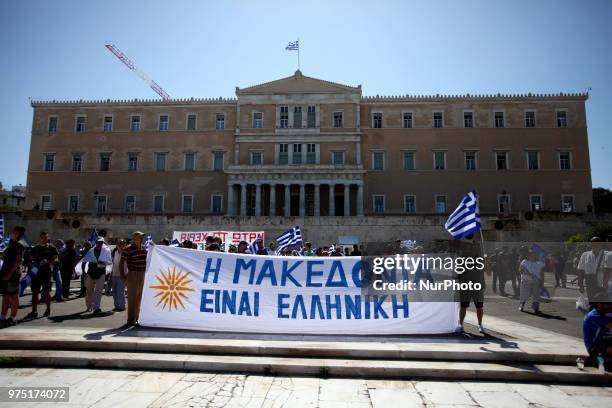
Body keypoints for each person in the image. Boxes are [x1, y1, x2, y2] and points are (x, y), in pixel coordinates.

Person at [456, 234, 488, 333]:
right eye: (469, 247)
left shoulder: (480, 259)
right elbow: (457, 271)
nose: (471, 249)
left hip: (477, 285)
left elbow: (488, 272)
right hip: (465, 284)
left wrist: (487, 261)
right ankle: (460, 324)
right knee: (463, 306)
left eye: (475, 247)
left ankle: (480, 324)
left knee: (479, 306)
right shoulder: (462, 259)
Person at [26, 232, 59, 318]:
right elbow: (30, 259)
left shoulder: (52, 248)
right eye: (42, 237)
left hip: (46, 273)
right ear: (40, 238)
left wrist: (48, 261)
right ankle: (34, 311)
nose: (44, 239)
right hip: (36, 273)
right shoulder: (35, 248)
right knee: (35, 293)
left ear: (48, 238)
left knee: (47, 292)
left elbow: (56, 260)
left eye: (45, 237)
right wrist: (32, 264)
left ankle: (48, 309)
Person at [120, 231, 148, 326]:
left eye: (142, 237)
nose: (142, 239)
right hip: (133, 273)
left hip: (142, 273)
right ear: (135, 238)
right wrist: (122, 275)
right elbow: (121, 262)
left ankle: (137, 318)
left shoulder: (145, 248)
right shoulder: (128, 249)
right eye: (140, 237)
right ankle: (130, 320)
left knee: (139, 298)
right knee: (132, 298)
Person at [0, 226, 26, 328]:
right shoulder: (11, 243)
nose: (12, 233)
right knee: (5, 296)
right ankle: (2, 317)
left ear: (18, 234)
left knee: (13, 296)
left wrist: (9, 273)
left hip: (12, 274)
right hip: (4, 273)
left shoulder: (19, 245)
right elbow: (6, 255)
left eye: (14, 232)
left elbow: (19, 261)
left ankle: (12, 318)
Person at [81, 237, 112, 314]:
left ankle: (96, 307)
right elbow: (84, 261)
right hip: (90, 272)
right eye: (98, 242)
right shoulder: (91, 251)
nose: (99, 244)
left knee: (98, 291)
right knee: (89, 291)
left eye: (101, 242)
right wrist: (83, 272)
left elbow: (109, 261)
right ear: (96, 242)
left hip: (101, 273)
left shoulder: (106, 251)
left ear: (103, 243)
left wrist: (103, 263)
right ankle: (89, 306)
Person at [582, 294, 612, 361]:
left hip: (607, 342)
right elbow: (610, 325)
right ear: (599, 305)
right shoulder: (593, 316)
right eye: (608, 304)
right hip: (595, 347)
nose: (610, 306)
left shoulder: (606, 312)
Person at [111, 239, 127, 311]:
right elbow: (114, 263)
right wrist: (111, 273)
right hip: (114, 274)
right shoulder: (115, 252)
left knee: (120, 291)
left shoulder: (126, 253)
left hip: (122, 275)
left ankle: (122, 306)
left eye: (122, 244)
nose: (120, 245)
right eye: (119, 244)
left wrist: (126, 275)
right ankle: (116, 306)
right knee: (114, 291)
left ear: (125, 245)